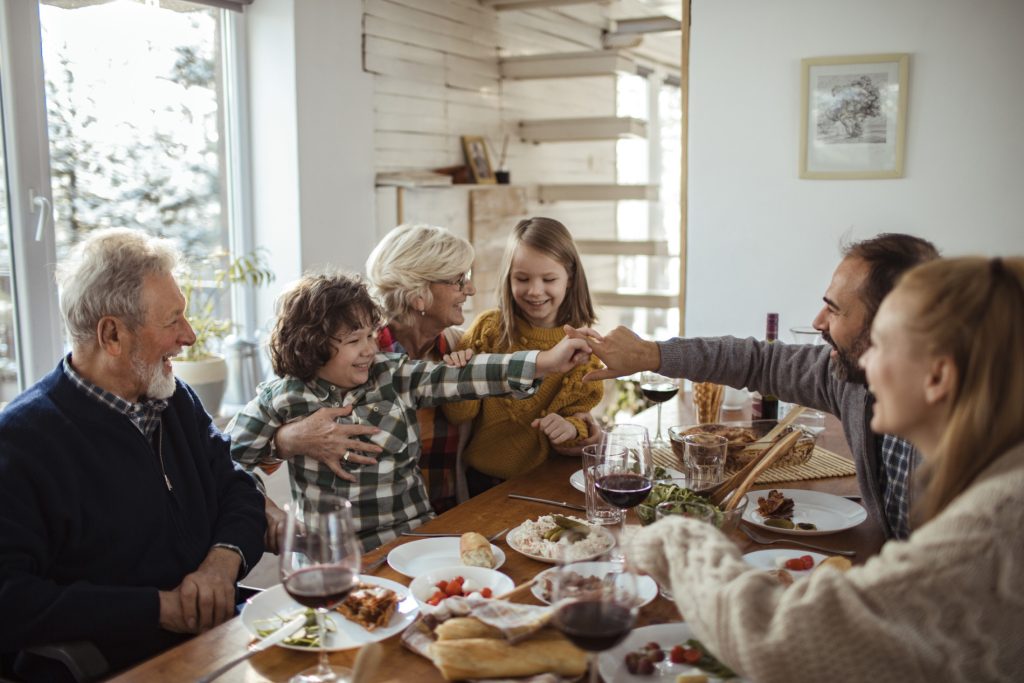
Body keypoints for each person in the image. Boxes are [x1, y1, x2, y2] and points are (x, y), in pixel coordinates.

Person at [629, 257, 1024, 682]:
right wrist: (651, 352)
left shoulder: (1000, 518)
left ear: (938, 376)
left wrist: (678, 538)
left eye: (883, 346)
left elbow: (786, 640)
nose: (867, 366)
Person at [0, 229, 266, 681]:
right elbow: (11, 599)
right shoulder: (21, 442)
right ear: (112, 335)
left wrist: (222, 563)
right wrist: (158, 608)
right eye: (172, 320)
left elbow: (236, 485)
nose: (190, 335)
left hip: (215, 641)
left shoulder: (175, 399)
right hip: (121, 664)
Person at [569, 233, 939, 539]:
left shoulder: (963, 440)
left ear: (890, 325)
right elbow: (756, 361)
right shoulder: (851, 380)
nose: (818, 321)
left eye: (835, 309)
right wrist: (651, 354)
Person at [228, 271, 592, 551]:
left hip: (414, 539)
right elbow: (229, 461)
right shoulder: (281, 398)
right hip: (331, 553)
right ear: (311, 345)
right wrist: (269, 510)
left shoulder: (392, 374)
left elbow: (467, 376)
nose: (370, 349)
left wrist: (546, 362)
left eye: (371, 335)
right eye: (354, 341)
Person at [443, 217, 604, 495]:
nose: (534, 291)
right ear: (508, 277)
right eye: (522, 278)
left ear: (571, 278)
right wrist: (461, 373)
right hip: (482, 482)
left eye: (549, 279)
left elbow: (579, 421)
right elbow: (458, 414)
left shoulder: (583, 350)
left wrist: (569, 427)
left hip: (547, 483)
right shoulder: (489, 330)